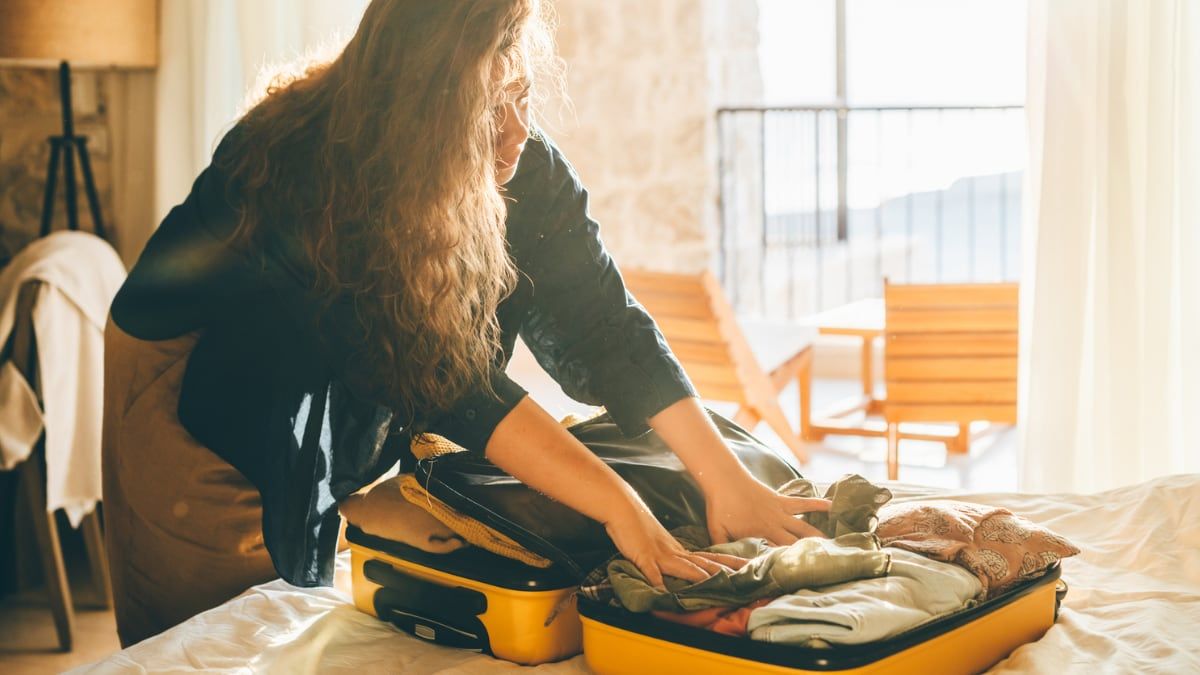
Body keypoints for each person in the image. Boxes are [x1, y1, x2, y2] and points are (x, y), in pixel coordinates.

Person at [102, 0, 830, 646]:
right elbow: (446, 379)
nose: (515, 132)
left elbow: (606, 322)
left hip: (320, 364)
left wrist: (724, 476)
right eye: (485, 109)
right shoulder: (312, 172)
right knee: (206, 636)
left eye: (520, 93)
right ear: (418, 111)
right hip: (192, 392)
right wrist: (622, 508)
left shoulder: (522, 162)